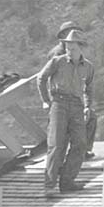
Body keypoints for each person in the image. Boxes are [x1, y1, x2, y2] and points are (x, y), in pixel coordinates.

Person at [36, 28, 95, 198]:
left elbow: (89, 89)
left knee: (80, 143)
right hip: (59, 104)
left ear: (81, 48)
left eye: (73, 47)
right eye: (68, 47)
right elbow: (41, 78)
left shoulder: (88, 67)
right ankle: (49, 186)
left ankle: (67, 182)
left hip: (76, 105)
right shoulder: (57, 62)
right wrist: (47, 101)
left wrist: (87, 106)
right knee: (56, 145)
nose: (70, 50)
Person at [47, 21, 98, 159]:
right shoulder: (57, 55)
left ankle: (84, 150)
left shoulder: (76, 53)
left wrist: (86, 104)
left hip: (74, 99)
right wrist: (48, 101)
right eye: (70, 32)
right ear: (63, 36)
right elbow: (49, 79)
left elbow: (85, 80)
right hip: (60, 100)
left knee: (91, 116)